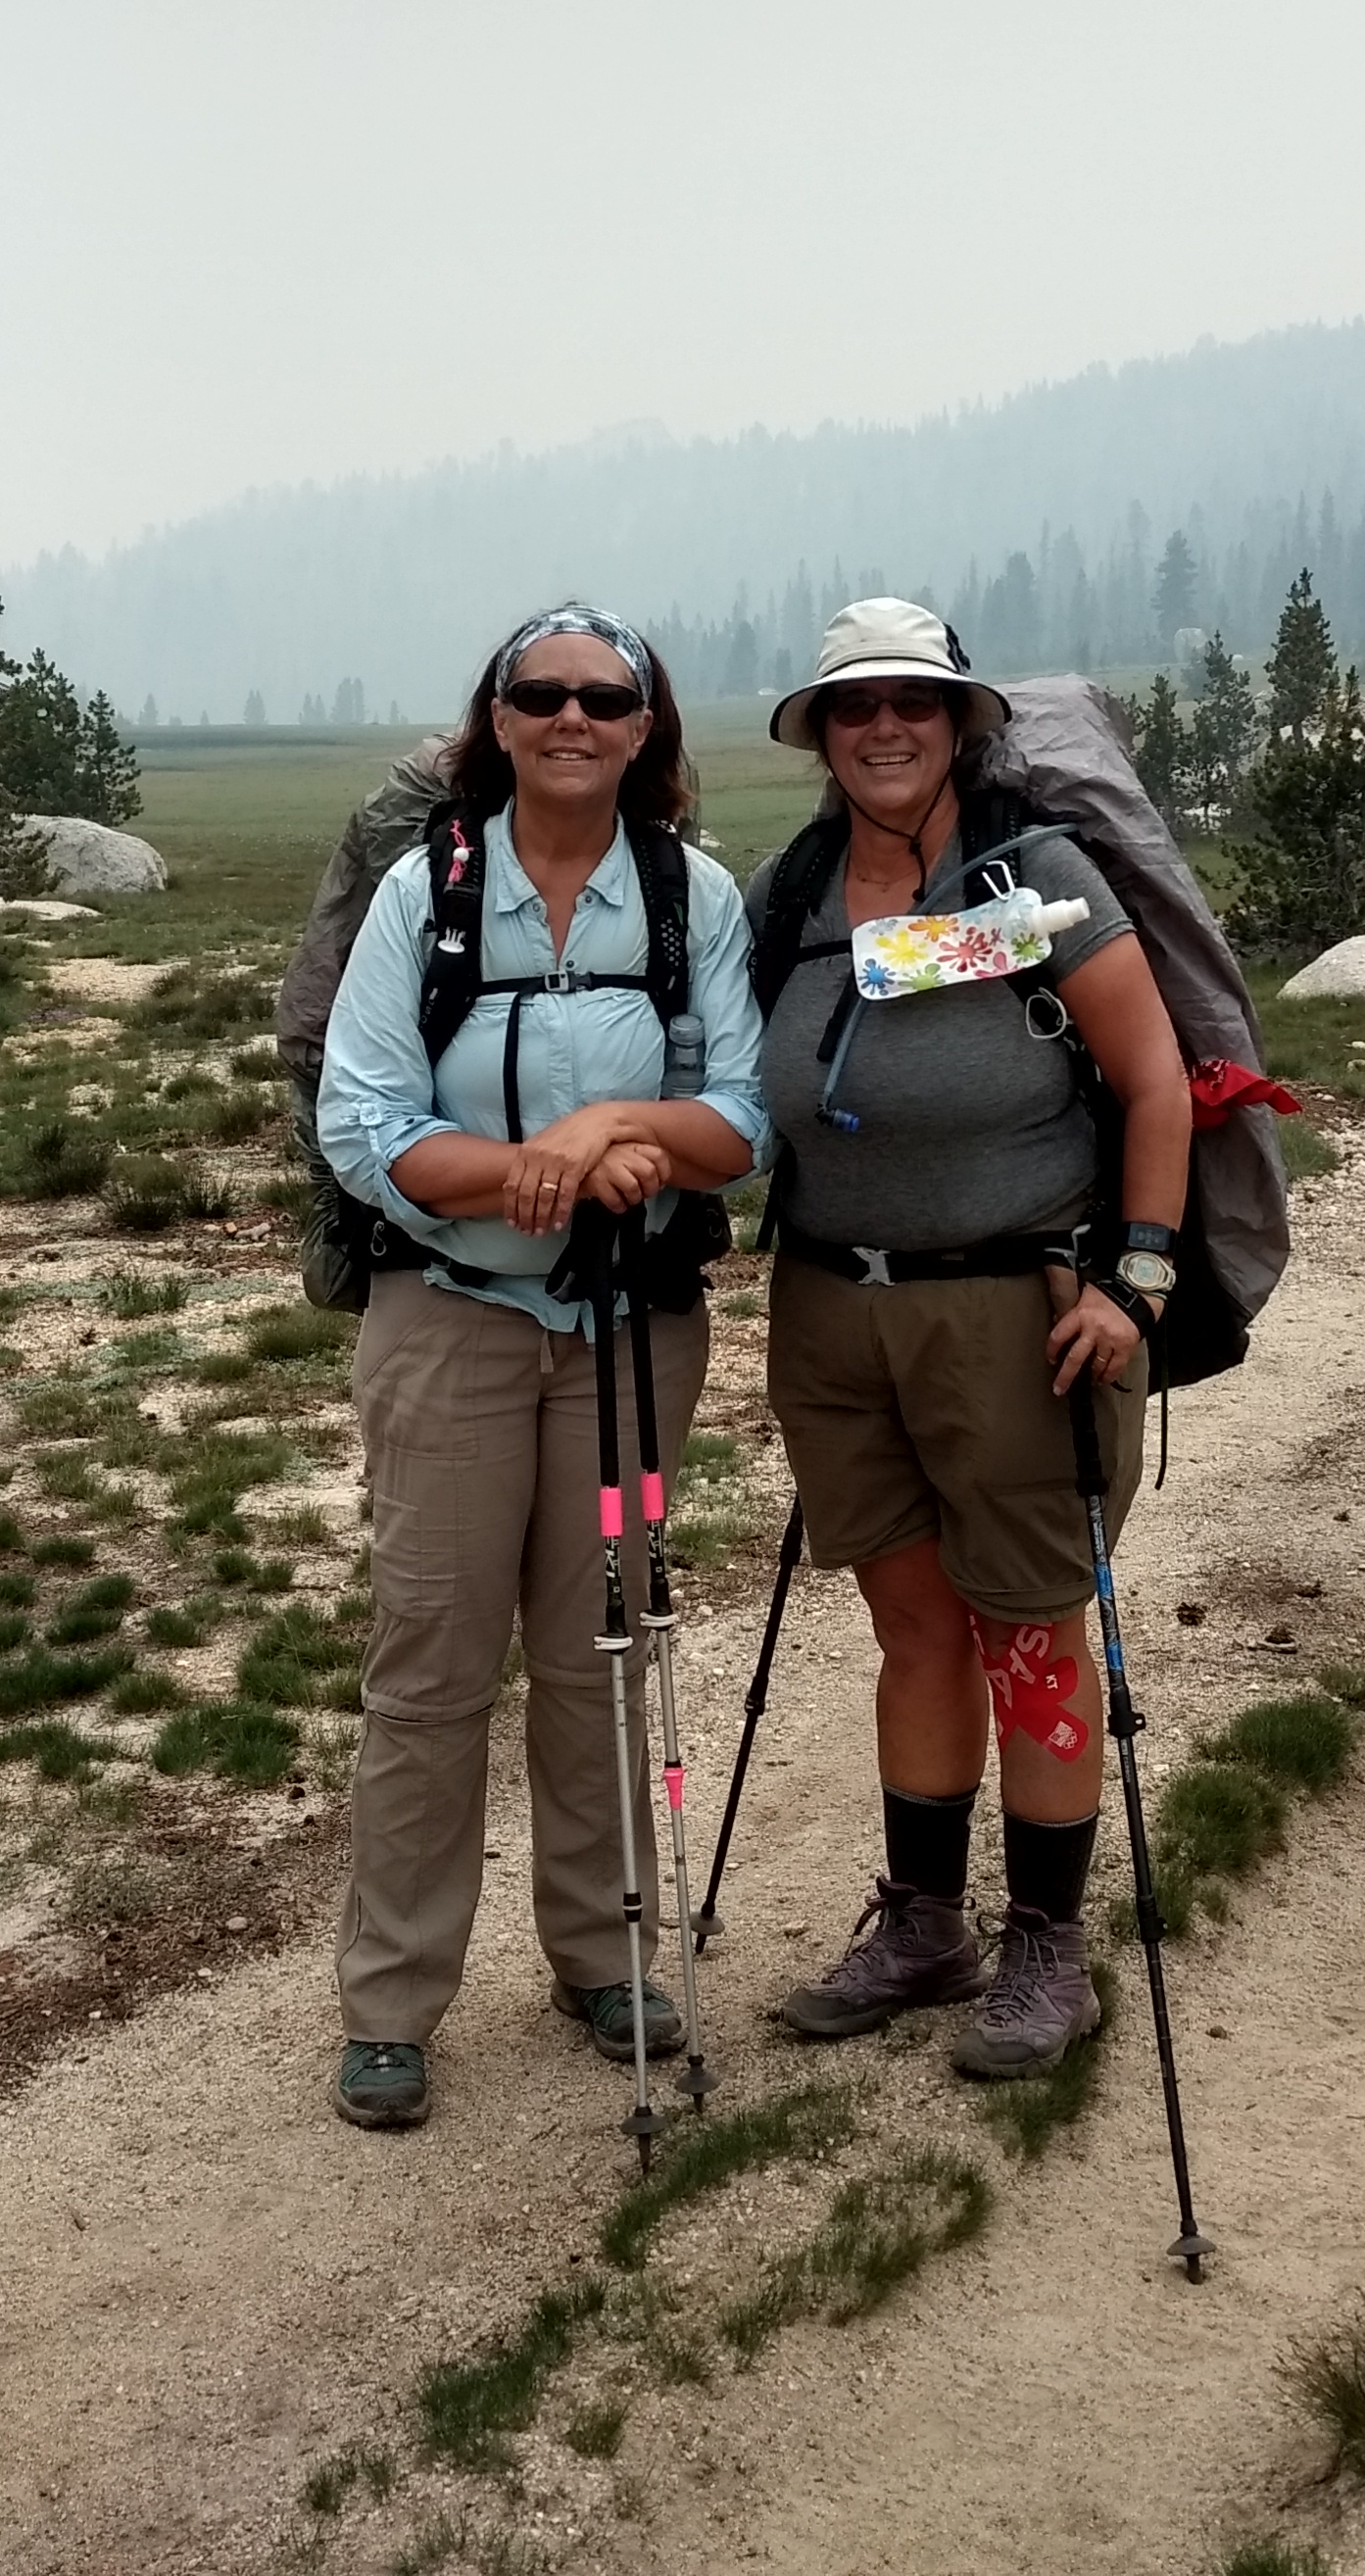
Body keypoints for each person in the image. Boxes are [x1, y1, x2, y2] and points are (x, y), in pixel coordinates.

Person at [309, 608, 766, 2132]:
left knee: (600, 1652)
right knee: (432, 1665)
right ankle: (391, 2003)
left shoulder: (691, 895)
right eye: (543, 693)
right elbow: (363, 1119)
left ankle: (603, 1955)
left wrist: (606, 1134)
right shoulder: (423, 896)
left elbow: (745, 1117)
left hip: (634, 1333)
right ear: (497, 721)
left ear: (646, 730)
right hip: (449, 1321)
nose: (574, 716)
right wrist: (532, 1176)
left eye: (606, 698)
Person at [747, 599, 1189, 2079]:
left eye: (913, 703)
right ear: (819, 732)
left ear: (959, 723)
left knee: (1029, 1626)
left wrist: (1135, 1279)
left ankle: (1046, 1945)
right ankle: (926, 1924)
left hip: (1018, 1312)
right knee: (916, 1626)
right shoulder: (789, 892)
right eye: (854, 705)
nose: (884, 727)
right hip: (829, 1310)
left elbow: (1156, 1083)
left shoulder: (1036, 878)